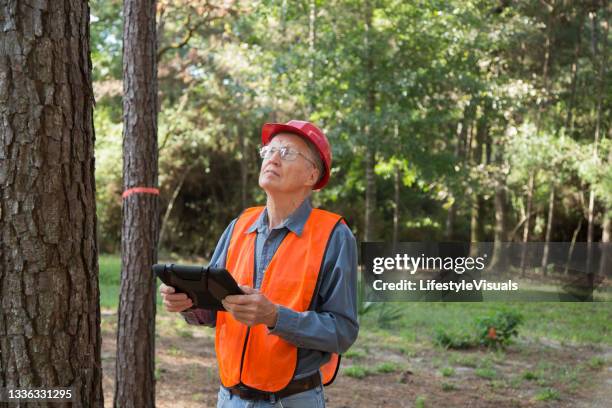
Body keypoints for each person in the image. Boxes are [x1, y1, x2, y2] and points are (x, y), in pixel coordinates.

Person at [160, 120, 359, 408]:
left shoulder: (334, 236)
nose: (273, 158)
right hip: (229, 398)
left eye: (288, 153)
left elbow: (342, 332)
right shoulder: (239, 226)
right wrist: (188, 304)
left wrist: (275, 317)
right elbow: (215, 310)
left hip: (292, 400)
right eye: (269, 150)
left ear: (312, 175)